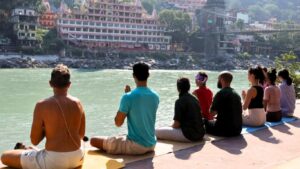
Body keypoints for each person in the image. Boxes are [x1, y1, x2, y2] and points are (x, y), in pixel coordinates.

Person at [1, 64, 86, 169]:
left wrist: (46, 129)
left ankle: (28, 151)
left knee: (5, 156)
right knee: (38, 152)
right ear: (69, 84)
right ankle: (30, 150)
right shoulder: (78, 103)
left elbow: (35, 140)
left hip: (52, 162)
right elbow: (81, 135)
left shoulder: (41, 105)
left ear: (50, 84)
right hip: (77, 158)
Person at [90, 62, 159, 155]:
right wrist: (128, 96)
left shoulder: (128, 97)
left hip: (136, 146)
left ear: (133, 75)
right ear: (148, 75)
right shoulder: (155, 96)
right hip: (152, 144)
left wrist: (126, 97)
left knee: (93, 140)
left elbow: (118, 123)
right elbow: (141, 109)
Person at [156, 78, 205, 142]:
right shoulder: (195, 99)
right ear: (189, 87)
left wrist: (169, 127)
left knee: (155, 131)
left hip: (189, 136)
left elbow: (176, 124)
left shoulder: (179, 101)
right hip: (201, 133)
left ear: (178, 89)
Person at [205, 71, 243, 137]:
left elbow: (211, 113)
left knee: (203, 121)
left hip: (224, 131)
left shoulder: (220, 93)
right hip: (237, 130)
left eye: (218, 79)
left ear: (221, 80)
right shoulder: (236, 94)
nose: (218, 81)